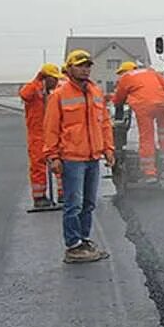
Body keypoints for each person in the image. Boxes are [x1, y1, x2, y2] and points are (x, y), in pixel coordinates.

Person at [41, 50, 113, 263]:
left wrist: (108, 149)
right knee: (74, 203)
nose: (85, 69)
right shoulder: (59, 95)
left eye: (88, 65)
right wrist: (52, 156)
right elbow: (51, 128)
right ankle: (73, 245)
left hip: (93, 157)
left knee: (89, 202)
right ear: (69, 68)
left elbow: (105, 123)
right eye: (81, 65)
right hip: (72, 158)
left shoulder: (95, 92)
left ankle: (83, 239)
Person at [110, 59, 164, 183]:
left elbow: (118, 99)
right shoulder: (151, 72)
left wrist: (117, 106)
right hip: (163, 104)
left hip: (144, 107)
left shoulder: (126, 77)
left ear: (125, 71)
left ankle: (150, 173)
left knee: (147, 138)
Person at [17, 63, 61, 211]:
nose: (56, 82)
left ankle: (63, 194)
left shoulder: (51, 93)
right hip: (37, 134)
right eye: (53, 79)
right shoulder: (33, 89)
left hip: (52, 133)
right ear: (45, 77)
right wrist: (37, 81)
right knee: (38, 166)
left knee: (59, 163)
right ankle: (39, 197)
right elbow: (24, 94)